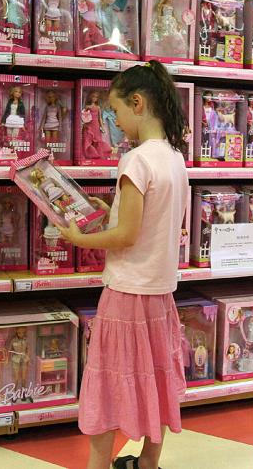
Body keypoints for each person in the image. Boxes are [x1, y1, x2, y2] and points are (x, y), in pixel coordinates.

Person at [57, 60, 189, 469]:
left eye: (115, 112)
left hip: (127, 293)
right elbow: (150, 221)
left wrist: (80, 238)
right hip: (160, 293)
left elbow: (127, 236)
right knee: (156, 379)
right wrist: (111, 209)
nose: (114, 122)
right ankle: (148, 462)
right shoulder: (174, 158)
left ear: (137, 103)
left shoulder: (135, 161)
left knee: (108, 382)